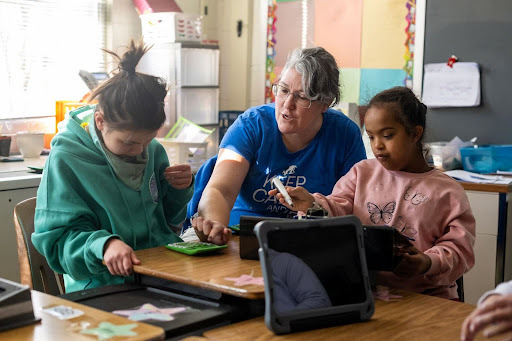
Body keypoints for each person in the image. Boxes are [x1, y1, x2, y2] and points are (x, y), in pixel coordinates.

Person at [270, 86, 476, 300]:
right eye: (370, 137)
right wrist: (312, 204)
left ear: (415, 133)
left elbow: (461, 251)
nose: (377, 146)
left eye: (387, 135)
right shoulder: (362, 173)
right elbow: (338, 207)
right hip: (366, 293)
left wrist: (426, 262)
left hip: (427, 298)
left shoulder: (448, 192)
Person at [32, 41, 194, 293]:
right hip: (101, 285)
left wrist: (179, 190)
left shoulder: (151, 150)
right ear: (100, 120)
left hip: (162, 273)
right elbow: (58, 244)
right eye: (129, 142)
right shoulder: (67, 159)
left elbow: (170, 221)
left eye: (148, 140)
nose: (140, 151)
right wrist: (104, 246)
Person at [191, 47, 366, 245]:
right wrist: (214, 226)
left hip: (310, 241)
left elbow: (354, 206)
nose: (287, 104)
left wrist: (314, 205)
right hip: (242, 235)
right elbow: (221, 189)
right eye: (283, 90)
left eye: (301, 97)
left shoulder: (345, 135)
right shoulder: (252, 124)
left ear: (325, 103)